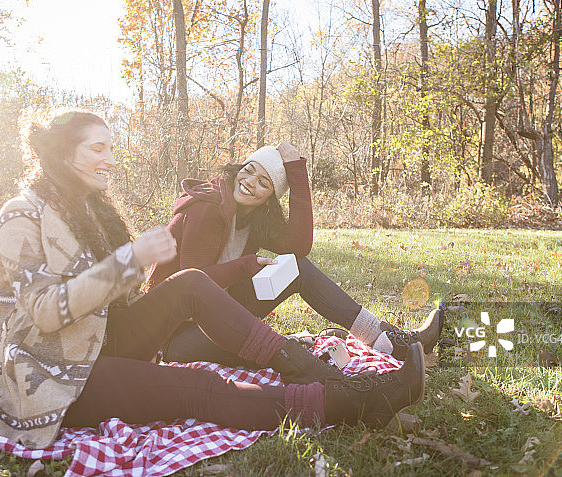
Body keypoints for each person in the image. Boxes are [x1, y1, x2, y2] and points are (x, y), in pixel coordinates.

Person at [0, 111, 425, 450]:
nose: (110, 159)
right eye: (97, 148)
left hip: (104, 338)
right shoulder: (22, 214)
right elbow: (45, 311)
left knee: (190, 285)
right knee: (201, 390)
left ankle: (316, 371)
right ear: (64, 152)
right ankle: (350, 403)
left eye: (111, 149)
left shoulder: (93, 213)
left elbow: (296, 248)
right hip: (54, 372)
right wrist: (131, 261)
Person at [147, 142, 444, 366]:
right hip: (177, 336)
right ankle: (309, 350)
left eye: (264, 182)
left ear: (269, 199)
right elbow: (191, 283)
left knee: (297, 268)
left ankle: (383, 339)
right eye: (248, 170)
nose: (249, 182)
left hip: (217, 315)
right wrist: (246, 266)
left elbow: (299, 248)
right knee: (282, 352)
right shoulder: (207, 208)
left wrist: (297, 173)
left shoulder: (252, 217)